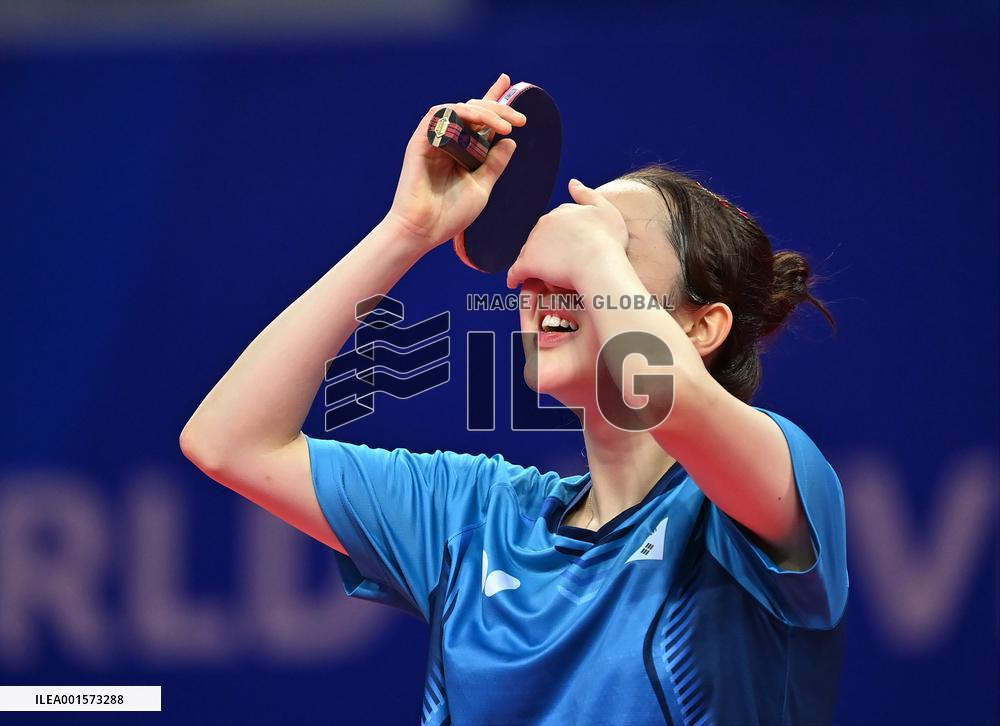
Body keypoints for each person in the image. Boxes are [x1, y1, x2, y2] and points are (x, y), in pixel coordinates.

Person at [180, 72, 848, 725]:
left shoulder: (774, 494)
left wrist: (591, 257)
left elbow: (666, 399)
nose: (553, 266)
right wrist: (407, 228)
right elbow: (230, 442)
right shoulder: (476, 518)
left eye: (616, 245)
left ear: (700, 327)